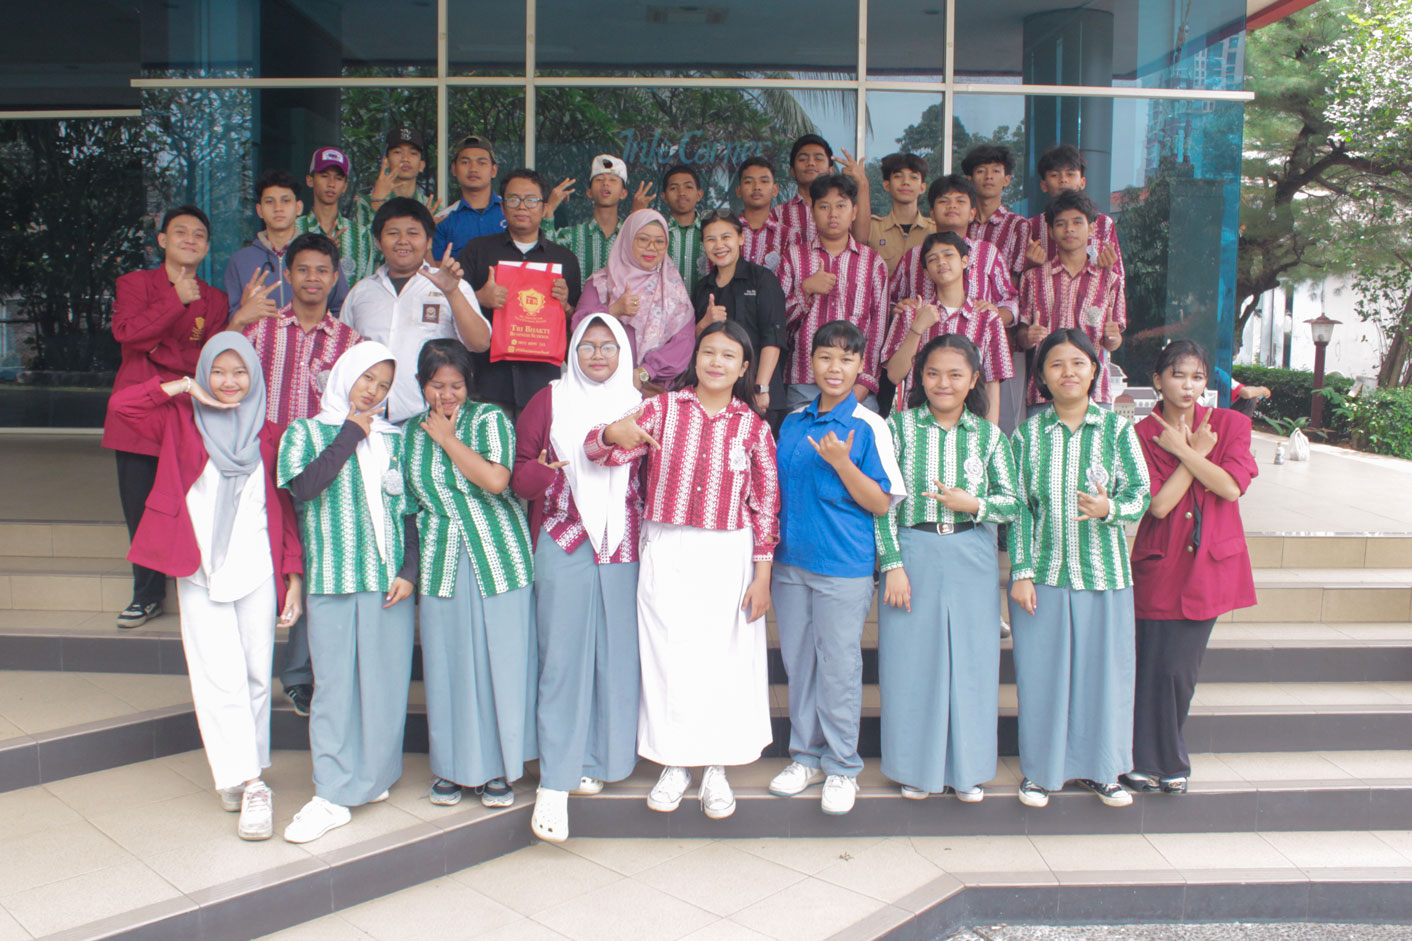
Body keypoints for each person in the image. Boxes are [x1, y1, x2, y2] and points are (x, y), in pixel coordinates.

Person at [110, 333, 303, 841]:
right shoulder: (180, 418)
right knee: (219, 676)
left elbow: (283, 509)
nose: (229, 382)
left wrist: (293, 575)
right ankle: (252, 783)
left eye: (240, 372)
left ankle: (243, 767)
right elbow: (122, 408)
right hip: (199, 568)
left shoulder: (270, 434)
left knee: (256, 675)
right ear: (204, 373)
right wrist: (179, 387)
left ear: (255, 376)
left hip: (256, 568)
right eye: (218, 371)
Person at [585, 320, 779, 820]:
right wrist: (608, 432)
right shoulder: (661, 409)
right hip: (667, 544)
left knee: (723, 658)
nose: (716, 362)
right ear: (696, 359)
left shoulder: (753, 427)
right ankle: (673, 762)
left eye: (729, 355)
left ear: (743, 367)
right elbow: (598, 452)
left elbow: (765, 506)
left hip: (728, 550)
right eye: (708, 352)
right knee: (667, 654)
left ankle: (715, 767)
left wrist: (762, 575)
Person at [278, 343, 419, 844]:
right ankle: (332, 793)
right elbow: (304, 487)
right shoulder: (306, 432)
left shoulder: (394, 440)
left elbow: (410, 509)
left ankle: (373, 777)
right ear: (345, 375)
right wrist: (350, 433)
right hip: (332, 579)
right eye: (366, 378)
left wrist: (409, 570)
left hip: (387, 581)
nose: (373, 391)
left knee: (384, 686)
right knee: (335, 688)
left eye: (384, 385)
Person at [511, 314, 644, 843]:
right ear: (572, 351)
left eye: (608, 347)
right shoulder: (550, 399)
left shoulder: (640, 404)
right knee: (562, 658)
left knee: (615, 656)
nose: (597, 355)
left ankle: (600, 759)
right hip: (564, 536)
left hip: (623, 545)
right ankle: (556, 778)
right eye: (587, 346)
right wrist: (545, 474)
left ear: (623, 353)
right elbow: (521, 474)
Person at [1008, 328, 1150, 810]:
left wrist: (1110, 509)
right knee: (1042, 678)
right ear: (1042, 377)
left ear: (1094, 371)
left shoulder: (1117, 430)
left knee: (1103, 679)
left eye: (1078, 363)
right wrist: (1021, 572)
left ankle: (1103, 771)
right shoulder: (1027, 435)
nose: (1067, 372)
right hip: (1044, 577)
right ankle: (1041, 773)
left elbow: (1140, 494)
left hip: (1104, 575)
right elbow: (1019, 509)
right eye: (1056, 364)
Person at [877, 334, 1020, 802]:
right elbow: (882, 503)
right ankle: (914, 769)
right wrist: (892, 564)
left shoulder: (989, 436)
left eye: (956, 374)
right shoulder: (897, 428)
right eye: (934, 373)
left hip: (971, 553)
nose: (944, 383)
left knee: (972, 661)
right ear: (920, 377)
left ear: (974, 379)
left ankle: (968, 770)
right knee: (911, 664)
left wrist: (974, 504)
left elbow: (1014, 502)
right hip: (913, 551)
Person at [769, 321, 904, 816]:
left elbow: (882, 502)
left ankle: (843, 765)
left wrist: (844, 464)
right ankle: (805, 757)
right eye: (826, 356)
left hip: (842, 566)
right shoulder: (793, 422)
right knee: (800, 663)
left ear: (860, 367)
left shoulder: (869, 425)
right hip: (790, 563)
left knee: (839, 666)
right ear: (811, 361)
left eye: (846, 359)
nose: (834, 367)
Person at [403, 339, 537, 809]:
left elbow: (496, 481)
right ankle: (451, 768)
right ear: (421, 385)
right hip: (441, 561)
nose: (447, 395)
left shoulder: (489, 420)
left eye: (456, 385)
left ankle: (499, 769)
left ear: (469, 384)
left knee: (502, 662)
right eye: (436, 385)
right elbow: (409, 505)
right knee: (448, 667)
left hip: (498, 556)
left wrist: (447, 439)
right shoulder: (408, 434)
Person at [1127, 340, 1257, 794]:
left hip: (1210, 567)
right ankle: (1149, 762)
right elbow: (1159, 505)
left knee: (1179, 670)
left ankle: (1165, 760)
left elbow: (1231, 487)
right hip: (1159, 565)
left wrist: (1188, 452)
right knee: (1150, 667)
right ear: (1158, 380)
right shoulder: (1139, 433)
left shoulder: (1231, 424)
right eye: (1178, 375)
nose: (1188, 386)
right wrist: (1191, 455)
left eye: (1197, 377)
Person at [242, 232, 362, 717]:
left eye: (322, 270)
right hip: (263, 467)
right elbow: (223, 382)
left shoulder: (351, 343)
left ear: (335, 279)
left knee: (312, 566)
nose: (313, 278)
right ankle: (250, 669)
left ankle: (299, 675)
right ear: (287, 274)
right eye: (303, 269)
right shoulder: (259, 332)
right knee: (266, 562)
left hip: (321, 473)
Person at [104, 205, 230, 629]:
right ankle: (146, 595)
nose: (190, 239)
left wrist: (158, 350)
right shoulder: (135, 284)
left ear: (207, 247)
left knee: (190, 506)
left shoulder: (216, 299)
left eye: (199, 234)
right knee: (140, 508)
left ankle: (198, 589)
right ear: (162, 240)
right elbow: (127, 333)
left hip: (186, 418)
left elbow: (208, 360)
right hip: (137, 418)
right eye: (181, 232)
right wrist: (175, 300)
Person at [339, 197, 491, 423]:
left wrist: (452, 292)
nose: (403, 241)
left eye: (412, 233)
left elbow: (480, 343)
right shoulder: (360, 292)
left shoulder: (452, 284)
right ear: (378, 242)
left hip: (431, 419)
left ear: (428, 241)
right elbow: (343, 354)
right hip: (368, 419)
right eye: (393, 233)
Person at [459, 169, 582, 415]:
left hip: (542, 385)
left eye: (531, 200)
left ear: (544, 207)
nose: (522, 206)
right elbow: (451, 307)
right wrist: (479, 298)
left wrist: (566, 306)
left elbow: (577, 322)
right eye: (513, 199)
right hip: (487, 382)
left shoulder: (564, 259)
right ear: (503, 207)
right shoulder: (477, 251)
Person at [776, 174, 888, 412]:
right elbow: (777, 322)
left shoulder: (872, 262)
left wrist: (865, 381)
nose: (833, 214)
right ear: (813, 212)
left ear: (854, 212)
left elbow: (878, 328)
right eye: (824, 207)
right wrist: (806, 290)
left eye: (840, 206)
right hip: (804, 380)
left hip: (855, 382)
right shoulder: (794, 257)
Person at [881, 232, 1012, 422]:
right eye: (932, 259)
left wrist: (991, 433)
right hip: (917, 423)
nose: (941, 262)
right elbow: (894, 375)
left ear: (965, 261)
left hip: (970, 424)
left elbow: (992, 382)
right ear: (926, 272)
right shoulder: (911, 312)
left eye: (948, 255)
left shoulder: (988, 318)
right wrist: (917, 328)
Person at [1017, 190, 1126, 413]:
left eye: (1077, 222)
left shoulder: (1110, 280)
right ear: (1051, 231)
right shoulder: (1033, 278)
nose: (1069, 229)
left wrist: (1113, 337)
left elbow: (1114, 342)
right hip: (1044, 391)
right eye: (1061, 224)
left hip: (1094, 392)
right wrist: (1028, 336)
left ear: (1092, 228)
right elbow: (1021, 337)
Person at [572, 209, 696, 396]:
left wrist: (645, 372)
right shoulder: (602, 283)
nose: (651, 247)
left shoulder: (672, 288)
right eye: (643, 239)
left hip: (652, 392)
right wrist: (613, 311)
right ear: (628, 240)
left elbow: (683, 344)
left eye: (659, 241)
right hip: (601, 389)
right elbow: (578, 327)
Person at [691, 211, 787, 424]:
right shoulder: (702, 288)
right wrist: (705, 324)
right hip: (715, 394)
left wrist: (761, 387)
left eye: (726, 237)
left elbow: (773, 337)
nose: (719, 245)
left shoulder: (762, 280)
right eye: (711, 239)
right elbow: (694, 343)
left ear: (741, 238)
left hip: (757, 392)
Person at [888, 175, 1017, 328]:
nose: (952, 206)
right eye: (944, 201)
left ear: (972, 213)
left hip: (975, 340)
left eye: (960, 201)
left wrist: (993, 316)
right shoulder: (913, 256)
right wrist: (898, 309)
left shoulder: (988, 253)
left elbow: (1011, 302)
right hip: (924, 340)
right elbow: (889, 301)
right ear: (932, 213)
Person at [226, 170, 350, 324]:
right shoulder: (240, 261)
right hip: (257, 339)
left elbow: (341, 309)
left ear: (298, 208)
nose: (278, 208)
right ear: (259, 210)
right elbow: (233, 319)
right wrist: (244, 309)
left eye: (285, 201)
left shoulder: (321, 254)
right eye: (269, 202)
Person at [1021, 144, 1123, 279]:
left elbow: (1119, 278)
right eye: (1054, 175)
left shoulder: (1104, 223)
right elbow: (1015, 283)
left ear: (1082, 182)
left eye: (1070, 174)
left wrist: (1109, 267)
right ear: (1044, 185)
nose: (1063, 180)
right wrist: (1029, 264)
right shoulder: (1031, 226)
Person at [541, 154, 651, 278]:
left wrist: (637, 219)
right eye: (599, 179)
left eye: (613, 180)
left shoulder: (630, 236)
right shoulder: (571, 236)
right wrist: (549, 208)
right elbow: (543, 258)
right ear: (589, 192)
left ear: (623, 193)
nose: (606, 183)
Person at [771, 135, 873, 248]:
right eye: (803, 159)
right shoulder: (778, 213)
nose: (811, 163)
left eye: (818, 159)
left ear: (831, 170)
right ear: (792, 171)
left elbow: (861, 241)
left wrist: (862, 183)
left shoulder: (844, 208)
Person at [297, 147, 378, 288]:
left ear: (345, 186)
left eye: (338, 178)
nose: (331, 184)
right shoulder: (294, 229)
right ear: (310, 180)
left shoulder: (360, 235)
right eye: (324, 176)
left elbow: (366, 290)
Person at [433, 135, 506, 260]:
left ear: (494, 170)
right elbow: (437, 267)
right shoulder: (444, 219)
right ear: (454, 169)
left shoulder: (512, 212)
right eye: (465, 162)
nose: (473, 169)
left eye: (481, 163)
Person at [962, 145, 1028, 276]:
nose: (988, 176)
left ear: (1006, 180)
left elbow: (1016, 275)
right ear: (970, 179)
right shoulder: (961, 221)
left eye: (996, 171)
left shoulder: (1017, 225)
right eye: (981, 171)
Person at [867, 152, 935, 275]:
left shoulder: (934, 230)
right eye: (898, 176)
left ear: (922, 187)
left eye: (913, 177)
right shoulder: (872, 229)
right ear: (887, 185)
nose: (906, 182)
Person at [366, 126, 439, 214]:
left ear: (421, 165)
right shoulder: (366, 203)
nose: (405, 158)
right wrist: (377, 202)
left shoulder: (433, 208)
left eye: (413, 153)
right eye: (397, 152)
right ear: (386, 161)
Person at [736, 156, 785, 272]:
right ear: (738, 191)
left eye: (764, 181)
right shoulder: (727, 232)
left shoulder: (788, 236)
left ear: (775, 190)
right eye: (748, 182)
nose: (756, 187)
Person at [660, 163, 706, 287]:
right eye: (674, 188)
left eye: (688, 187)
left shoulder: (709, 231)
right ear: (664, 197)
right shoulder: (658, 232)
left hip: (706, 299)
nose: (681, 193)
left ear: (699, 195)